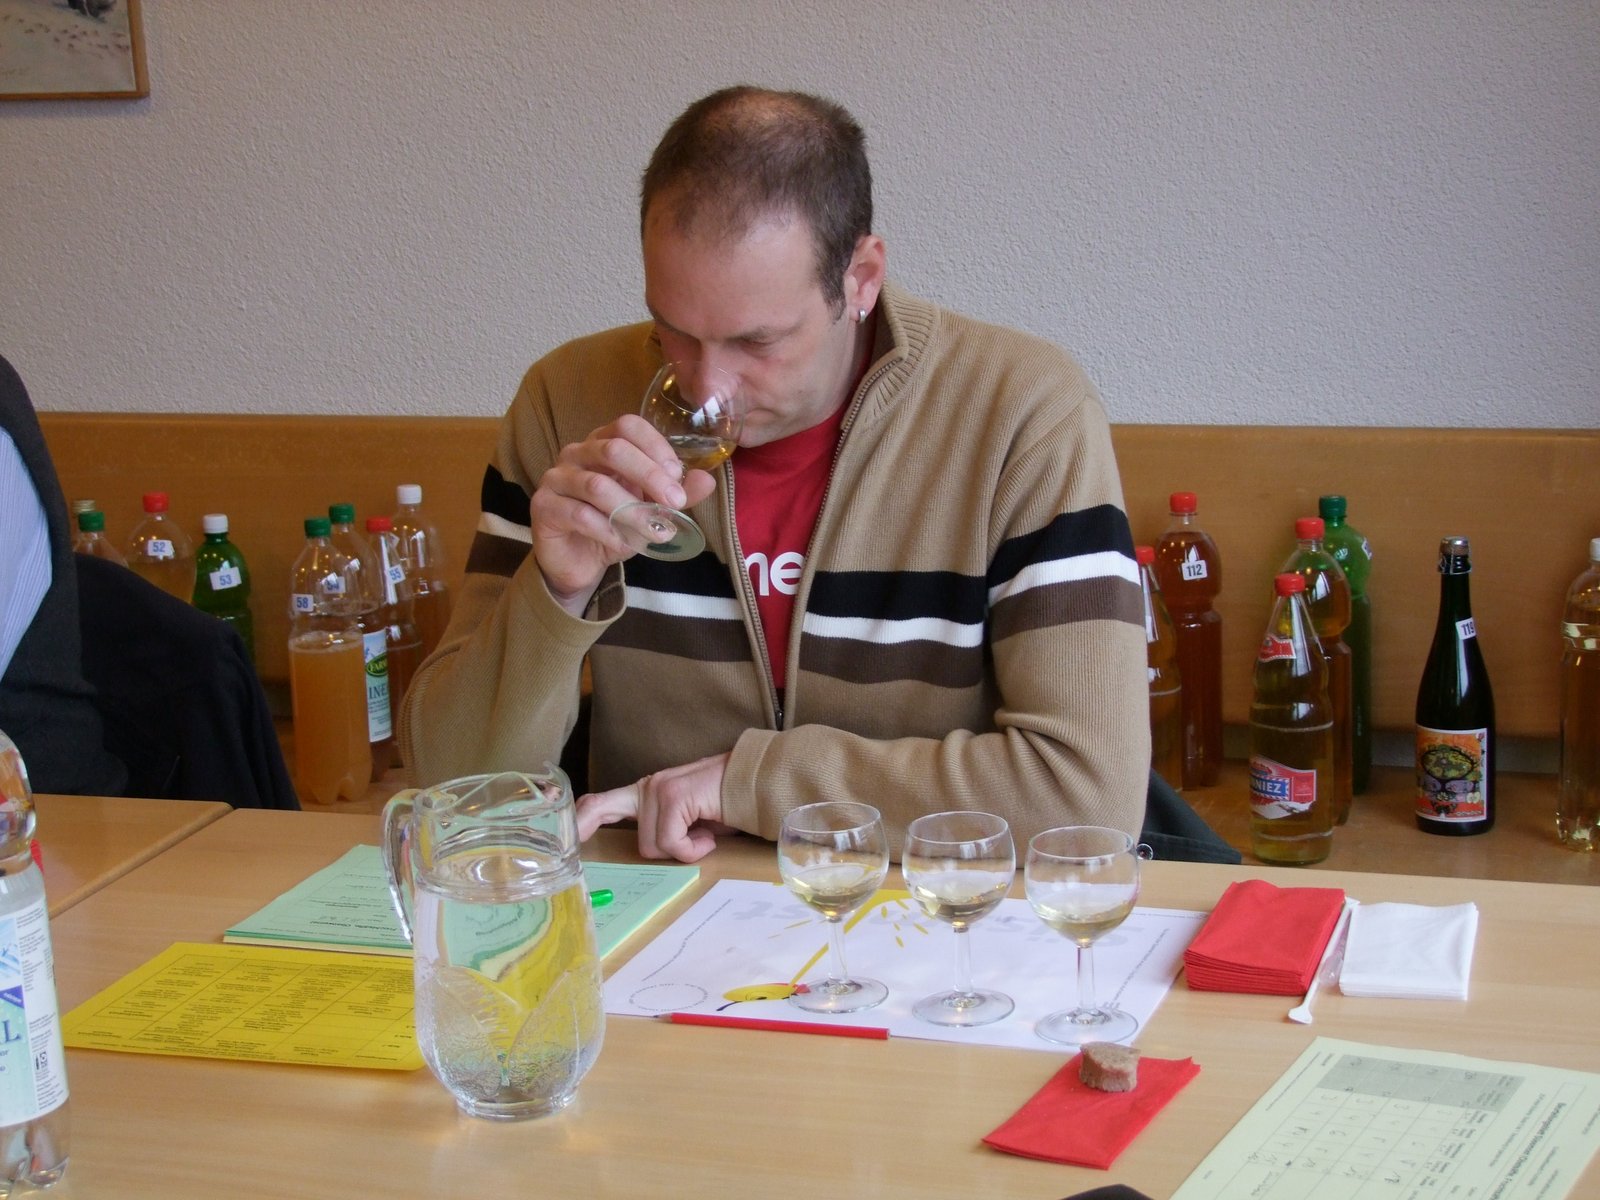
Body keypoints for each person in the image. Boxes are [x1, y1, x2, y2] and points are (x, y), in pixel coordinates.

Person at [398, 86, 1149, 862]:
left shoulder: (1021, 415)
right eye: (672, 332)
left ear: (860, 277)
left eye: (756, 343)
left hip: (929, 907)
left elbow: (1088, 796)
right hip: (653, 903)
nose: (705, 387)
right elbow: (454, 791)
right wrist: (555, 595)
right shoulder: (567, 404)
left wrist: (751, 785)